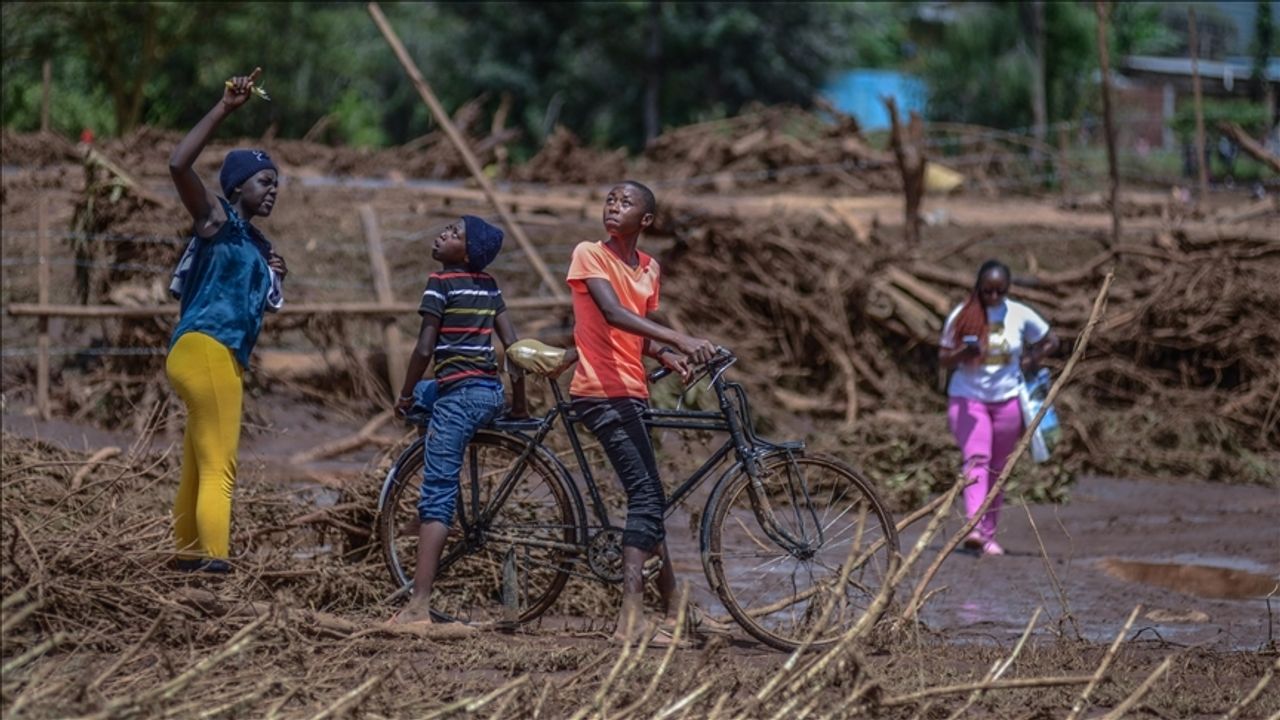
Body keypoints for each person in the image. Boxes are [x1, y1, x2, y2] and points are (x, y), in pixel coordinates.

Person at [564, 180, 725, 646]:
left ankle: (676, 611)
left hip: (631, 391)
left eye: (625, 202)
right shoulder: (589, 254)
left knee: (649, 498)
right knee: (646, 497)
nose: (613, 207)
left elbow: (637, 333)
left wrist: (661, 354)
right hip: (599, 390)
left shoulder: (649, 268)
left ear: (647, 221)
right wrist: (681, 338)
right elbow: (613, 314)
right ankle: (629, 618)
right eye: (609, 199)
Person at [166, 67, 286, 573]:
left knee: (197, 464)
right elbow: (178, 164)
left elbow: (253, 299)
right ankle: (216, 565)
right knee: (222, 466)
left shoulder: (258, 248)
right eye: (264, 181)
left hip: (213, 354)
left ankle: (187, 556)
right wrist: (224, 109)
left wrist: (274, 271)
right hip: (207, 349)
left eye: (277, 183)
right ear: (238, 186)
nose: (273, 190)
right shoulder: (216, 222)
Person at [388, 215, 526, 626]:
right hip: (489, 394)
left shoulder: (440, 283)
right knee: (425, 405)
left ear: (466, 252)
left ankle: (418, 606)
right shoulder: (489, 286)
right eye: (445, 228)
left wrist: (405, 390)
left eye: (453, 233)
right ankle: (428, 503)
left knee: (438, 490)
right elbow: (514, 348)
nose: (442, 233)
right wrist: (518, 406)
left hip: (458, 399)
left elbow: (425, 347)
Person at [938, 260, 1059, 556]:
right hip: (968, 399)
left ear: (1007, 290)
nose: (993, 297)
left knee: (998, 468)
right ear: (978, 287)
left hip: (1007, 402)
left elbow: (1050, 340)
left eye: (999, 292)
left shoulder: (1019, 314)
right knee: (976, 458)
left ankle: (988, 535)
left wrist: (1031, 361)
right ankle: (975, 527)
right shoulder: (962, 315)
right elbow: (943, 358)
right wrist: (963, 353)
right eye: (987, 291)